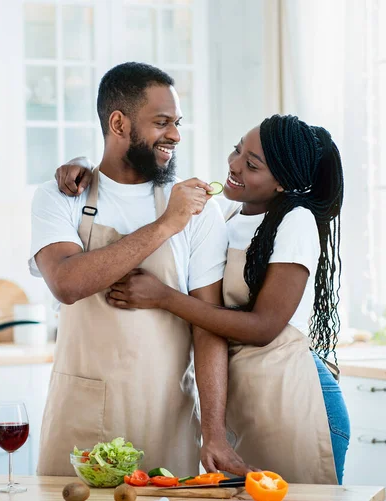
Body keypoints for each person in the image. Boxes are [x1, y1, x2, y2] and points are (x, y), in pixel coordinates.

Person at [56, 114, 350, 484]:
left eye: (252, 164)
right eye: (237, 150)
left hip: (295, 401)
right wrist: (84, 165)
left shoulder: (296, 221)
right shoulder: (228, 213)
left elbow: (263, 327)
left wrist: (164, 297)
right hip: (248, 405)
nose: (234, 165)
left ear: (282, 184)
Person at [30, 62, 250, 477]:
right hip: (79, 419)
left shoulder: (198, 207)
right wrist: (166, 224)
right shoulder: (60, 196)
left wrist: (214, 432)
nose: (175, 135)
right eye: (162, 122)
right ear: (118, 122)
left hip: (167, 414)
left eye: (177, 122)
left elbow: (209, 326)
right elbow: (67, 282)